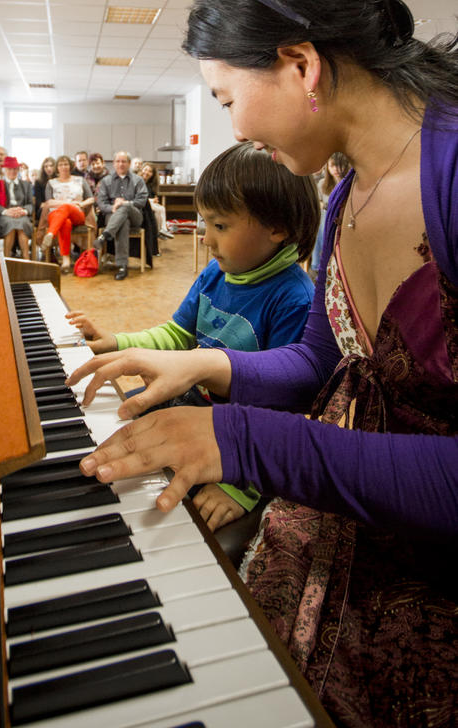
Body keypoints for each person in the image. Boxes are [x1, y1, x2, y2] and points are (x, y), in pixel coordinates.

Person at [67, 0, 458, 728]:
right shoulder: (344, 194)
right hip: (348, 536)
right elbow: (326, 360)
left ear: (300, 65)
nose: (233, 127)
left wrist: (242, 443)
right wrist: (203, 364)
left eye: (223, 97)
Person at [68, 142, 318, 530]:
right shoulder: (216, 273)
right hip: (193, 404)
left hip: (241, 436)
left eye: (220, 226)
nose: (206, 239)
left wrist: (241, 487)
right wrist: (116, 341)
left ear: (278, 228)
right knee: (110, 430)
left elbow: (283, 407)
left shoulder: (294, 299)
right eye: (206, 224)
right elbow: (176, 335)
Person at [96, 151, 148, 280]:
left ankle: (105, 236)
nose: (121, 164)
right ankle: (122, 266)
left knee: (125, 207)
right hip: (112, 215)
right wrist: (113, 207)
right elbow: (101, 203)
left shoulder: (138, 180)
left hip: (135, 215)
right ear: (113, 164)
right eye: (118, 161)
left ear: (129, 163)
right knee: (123, 223)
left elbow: (142, 201)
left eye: (124, 161)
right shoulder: (106, 181)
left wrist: (125, 203)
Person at [40, 154, 95, 273]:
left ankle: (50, 234)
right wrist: (66, 203)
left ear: (70, 166)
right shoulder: (51, 183)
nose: (63, 167)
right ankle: (66, 260)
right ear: (57, 167)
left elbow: (91, 198)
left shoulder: (80, 180)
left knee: (66, 208)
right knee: (65, 222)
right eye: (60, 164)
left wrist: (81, 204)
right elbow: (49, 202)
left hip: (77, 213)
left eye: (66, 164)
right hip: (56, 215)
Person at [311, 152, 351, 274]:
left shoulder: (348, 184)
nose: (335, 169)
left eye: (338, 165)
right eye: (332, 165)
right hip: (325, 219)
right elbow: (319, 202)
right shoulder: (322, 184)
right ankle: (317, 264)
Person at [0, 156, 33, 258]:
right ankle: (7, 258)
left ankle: (26, 258)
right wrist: (6, 212)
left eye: (15, 169)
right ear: (4, 170)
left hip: (21, 214)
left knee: (23, 223)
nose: (12, 171)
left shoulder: (26, 185)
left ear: (18, 170)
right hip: (4, 215)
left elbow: (30, 204)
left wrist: (24, 211)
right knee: (11, 224)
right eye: (9, 169)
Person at [140, 162, 174, 240]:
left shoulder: (150, 184)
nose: (147, 172)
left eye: (150, 171)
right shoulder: (137, 181)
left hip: (148, 203)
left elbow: (151, 196)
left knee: (159, 210)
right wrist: (152, 200)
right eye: (145, 170)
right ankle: (162, 230)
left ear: (153, 174)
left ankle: (160, 231)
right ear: (141, 170)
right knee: (160, 209)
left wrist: (154, 200)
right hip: (141, 203)